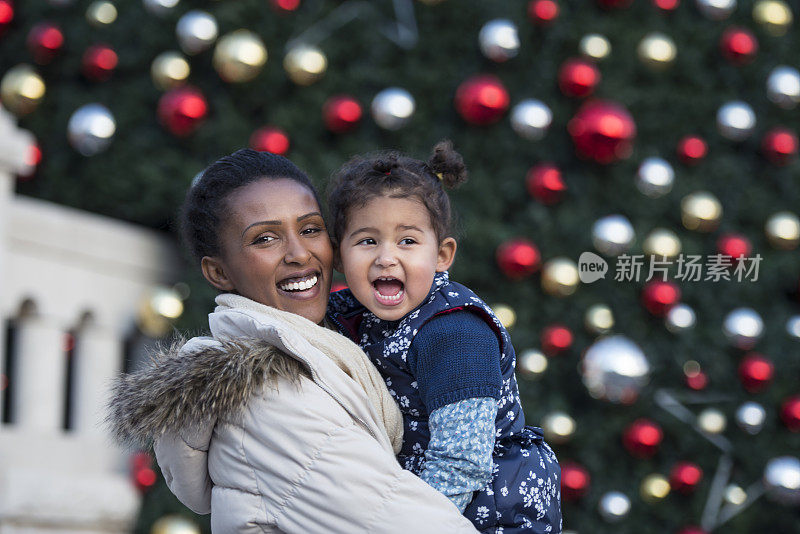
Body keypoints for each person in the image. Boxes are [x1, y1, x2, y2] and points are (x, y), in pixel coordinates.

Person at [106, 148, 479, 533]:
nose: (300, 253)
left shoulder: (335, 351)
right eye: (265, 238)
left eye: (311, 229)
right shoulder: (269, 396)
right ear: (218, 272)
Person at [326, 141, 562, 533]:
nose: (386, 257)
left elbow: (461, 460)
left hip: (490, 506)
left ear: (442, 255)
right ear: (339, 257)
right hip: (417, 493)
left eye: (408, 241)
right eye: (367, 241)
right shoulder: (355, 313)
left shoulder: (454, 333)